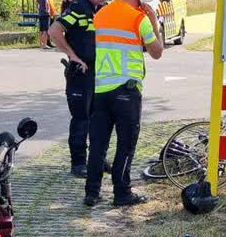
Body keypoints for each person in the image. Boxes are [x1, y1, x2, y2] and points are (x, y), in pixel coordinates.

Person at [83, 0, 163, 207]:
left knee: (98, 145)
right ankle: (122, 193)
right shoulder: (138, 18)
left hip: (101, 89)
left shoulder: (100, 14)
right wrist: (154, 21)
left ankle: (91, 193)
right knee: (125, 145)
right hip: (127, 90)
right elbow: (157, 52)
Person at [48, 0, 106, 177]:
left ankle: (98, 160)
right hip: (81, 73)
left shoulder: (105, 9)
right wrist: (73, 57)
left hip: (100, 72)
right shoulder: (78, 8)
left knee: (100, 119)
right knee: (81, 119)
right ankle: (79, 163)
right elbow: (54, 31)